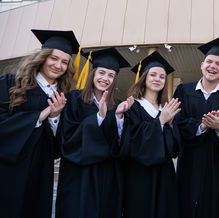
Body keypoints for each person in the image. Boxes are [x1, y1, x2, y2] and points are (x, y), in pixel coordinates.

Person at [0, 29, 80, 218]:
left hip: (41, 170)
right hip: (10, 168)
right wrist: (41, 115)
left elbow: (60, 143)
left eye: (64, 62)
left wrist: (54, 118)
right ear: (42, 57)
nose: (58, 65)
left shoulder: (62, 98)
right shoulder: (12, 84)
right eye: (53, 58)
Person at [56, 47, 133, 218]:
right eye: (102, 73)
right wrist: (98, 118)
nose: (105, 78)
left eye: (111, 75)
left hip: (108, 176)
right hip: (79, 175)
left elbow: (121, 146)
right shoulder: (73, 100)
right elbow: (68, 138)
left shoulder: (119, 105)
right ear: (93, 73)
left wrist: (119, 118)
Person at [173, 37, 219, 218]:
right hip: (188, 161)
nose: (213, 66)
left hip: (216, 164)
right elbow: (177, 123)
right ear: (201, 65)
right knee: (184, 206)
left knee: (212, 208)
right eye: (209, 62)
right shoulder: (183, 90)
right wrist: (202, 126)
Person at [114, 51, 181, 218]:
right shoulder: (133, 107)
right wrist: (160, 122)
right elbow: (132, 141)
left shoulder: (165, 109)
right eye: (153, 75)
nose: (157, 79)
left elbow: (173, 150)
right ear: (144, 78)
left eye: (162, 76)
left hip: (165, 176)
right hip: (139, 175)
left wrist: (171, 126)